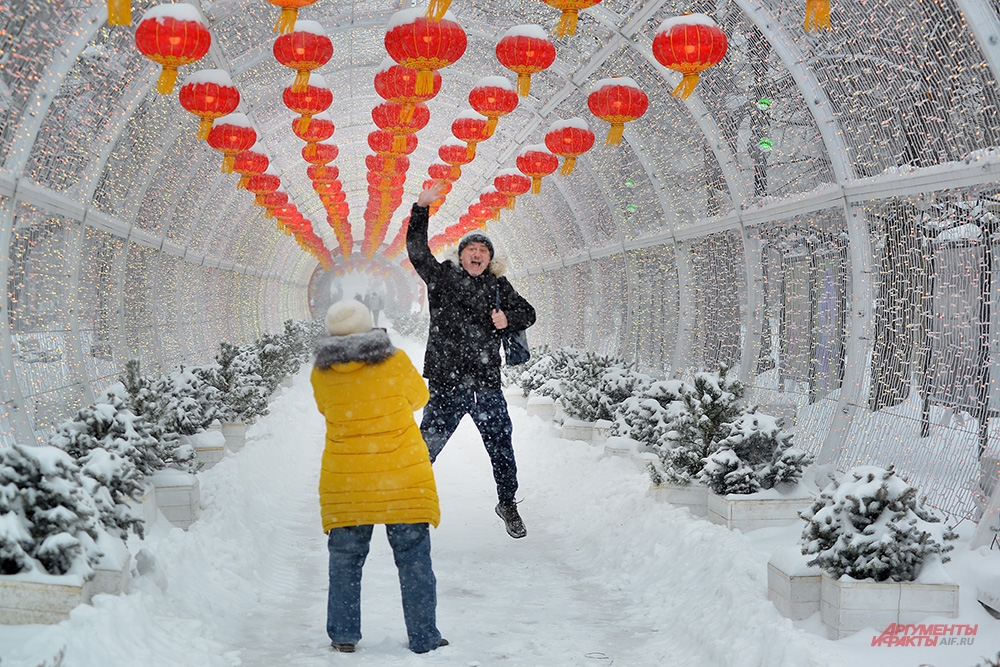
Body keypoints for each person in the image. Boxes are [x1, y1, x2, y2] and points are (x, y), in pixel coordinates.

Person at [310, 299, 448, 654]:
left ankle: (343, 634)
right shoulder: (394, 360)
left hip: (348, 481)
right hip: (402, 478)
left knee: (345, 560)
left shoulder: (321, 372)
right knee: (414, 559)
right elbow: (420, 397)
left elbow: (325, 407)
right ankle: (424, 636)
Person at [406, 182, 537, 539]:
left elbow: (529, 312)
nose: (477, 254)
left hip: (485, 384)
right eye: (471, 249)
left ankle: (507, 503)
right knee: (426, 445)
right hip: (447, 383)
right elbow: (417, 252)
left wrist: (508, 319)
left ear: (489, 258)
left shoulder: (498, 285)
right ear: (461, 255)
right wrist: (421, 208)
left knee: (501, 445)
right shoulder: (443, 279)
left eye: (483, 250)